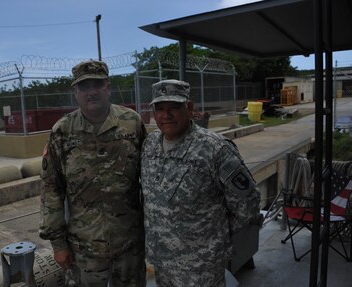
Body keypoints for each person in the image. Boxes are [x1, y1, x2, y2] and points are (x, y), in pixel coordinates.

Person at [141, 79, 261, 287]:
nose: (166, 115)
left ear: (189, 107)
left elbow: (248, 202)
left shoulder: (214, 149)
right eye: (159, 109)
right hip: (162, 261)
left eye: (174, 107)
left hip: (201, 267)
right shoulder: (150, 145)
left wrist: (214, 237)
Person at [39, 60, 147, 287]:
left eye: (97, 85)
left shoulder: (132, 123)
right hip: (83, 247)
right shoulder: (62, 131)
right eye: (84, 86)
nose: (92, 92)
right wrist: (58, 244)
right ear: (75, 92)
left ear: (108, 87)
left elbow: (149, 179)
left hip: (129, 243)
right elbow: (51, 190)